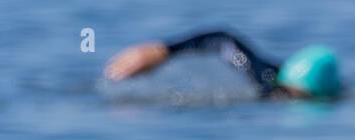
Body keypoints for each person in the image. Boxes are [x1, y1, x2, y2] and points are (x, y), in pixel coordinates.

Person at [104, 30, 340, 99]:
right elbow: (223, 40)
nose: (285, 98)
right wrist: (163, 50)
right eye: (288, 92)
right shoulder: (269, 77)